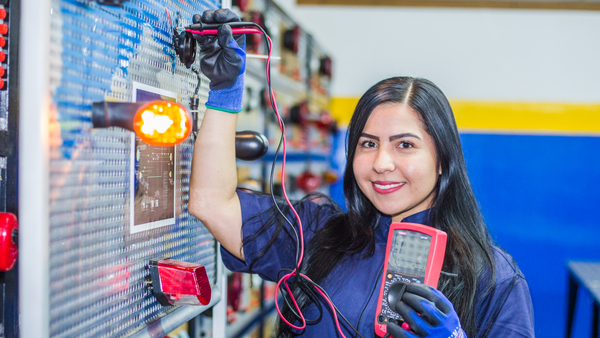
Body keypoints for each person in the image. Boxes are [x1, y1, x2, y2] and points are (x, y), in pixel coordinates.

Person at [188, 8, 535, 338]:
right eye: (368, 144)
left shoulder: (494, 279)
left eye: (405, 145)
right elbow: (212, 203)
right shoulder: (316, 234)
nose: (381, 163)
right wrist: (224, 93)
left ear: (442, 159)